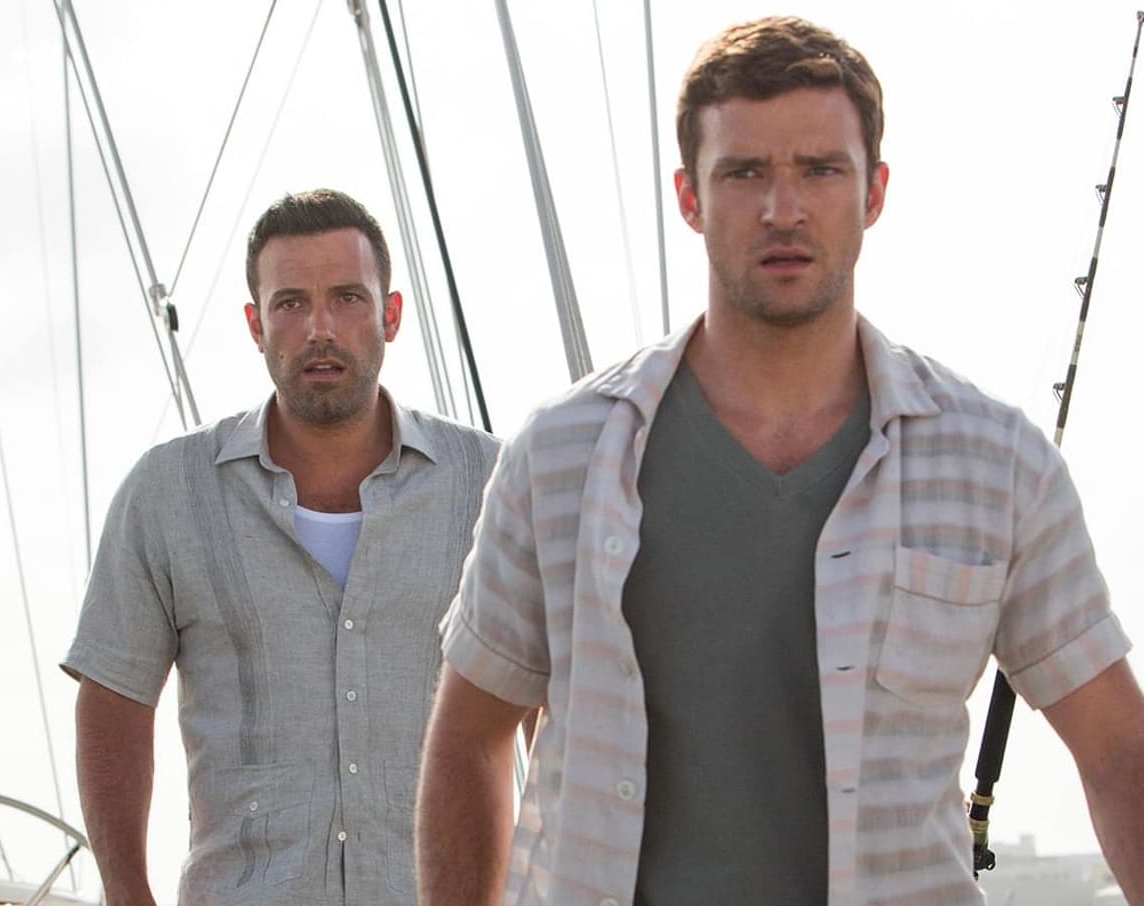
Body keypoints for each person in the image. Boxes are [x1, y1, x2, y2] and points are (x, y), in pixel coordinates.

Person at [416, 16, 1144, 906]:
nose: (783, 209)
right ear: (690, 197)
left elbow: (1118, 748)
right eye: (745, 172)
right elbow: (471, 736)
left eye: (821, 170)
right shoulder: (562, 455)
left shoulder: (997, 466)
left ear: (874, 192)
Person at [64, 188, 500, 906]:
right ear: (256, 325)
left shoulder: (487, 483)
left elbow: (552, 699)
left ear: (391, 315)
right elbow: (114, 699)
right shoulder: (169, 492)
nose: (320, 329)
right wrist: (126, 892)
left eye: (348, 299)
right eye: (291, 303)